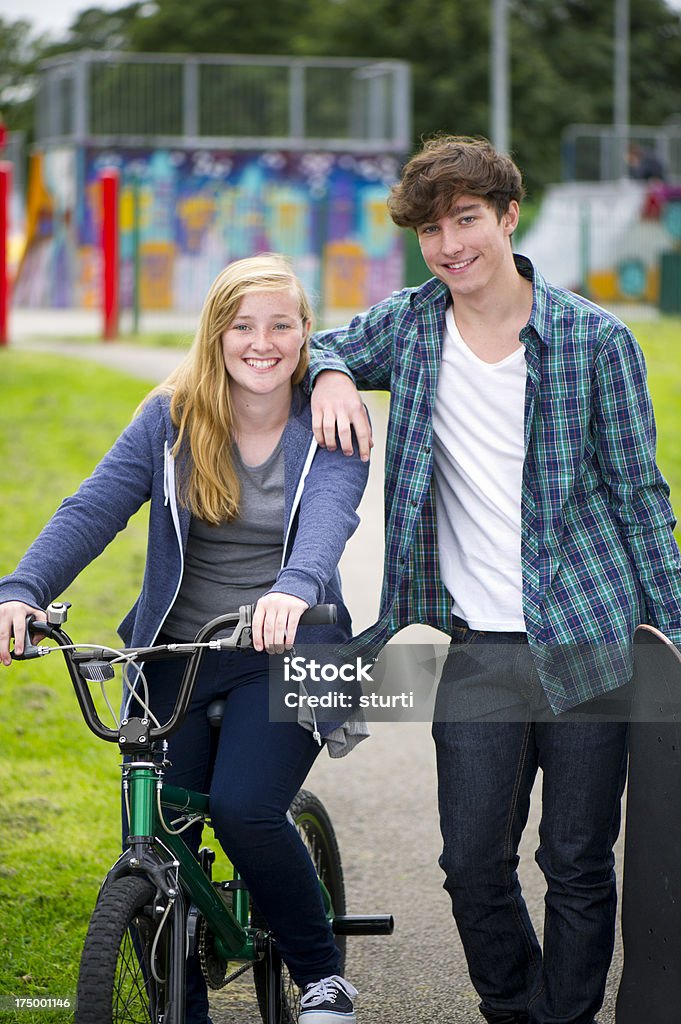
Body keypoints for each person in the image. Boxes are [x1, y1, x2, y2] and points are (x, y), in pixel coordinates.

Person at [307, 136, 681, 1024]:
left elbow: (640, 498)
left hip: (592, 637)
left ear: (507, 218)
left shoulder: (596, 340)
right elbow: (321, 340)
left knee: (577, 862)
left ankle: (563, 1019)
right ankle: (516, 1008)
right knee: (470, 862)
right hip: (475, 649)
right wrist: (328, 372)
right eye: (432, 230)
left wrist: (675, 627)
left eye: (465, 220)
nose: (448, 245)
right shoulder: (407, 324)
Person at [0, 254, 368, 1024]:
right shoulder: (170, 416)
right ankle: (181, 1002)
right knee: (157, 826)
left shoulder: (328, 419)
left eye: (281, 325)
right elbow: (92, 508)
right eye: (242, 326)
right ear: (216, 333)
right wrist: (23, 590)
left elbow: (328, 524)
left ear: (307, 336)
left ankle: (322, 974)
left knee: (244, 808)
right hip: (180, 652)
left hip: (287, 649)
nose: (260, 343)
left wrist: (292, 592)